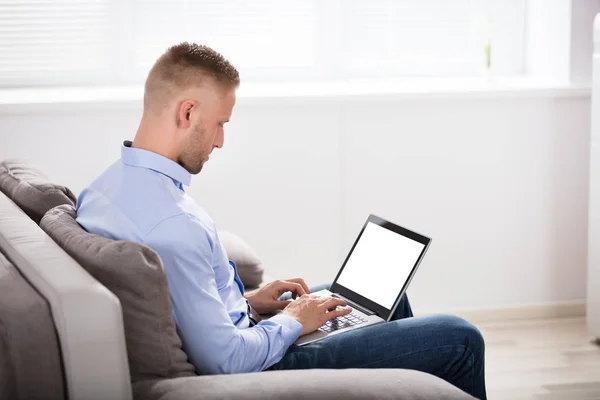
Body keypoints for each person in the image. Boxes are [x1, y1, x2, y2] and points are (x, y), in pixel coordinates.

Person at [76, 42, 487, 399]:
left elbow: (183, 302)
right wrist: (291, 321)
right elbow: (228, 362)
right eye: (220, 123)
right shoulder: (172, 225)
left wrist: (250, 303)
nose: (221, 140)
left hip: (246, 329)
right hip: (258, 370)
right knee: (460, 337)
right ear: (187, 112)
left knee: (378, 301)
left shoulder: (103, 190)